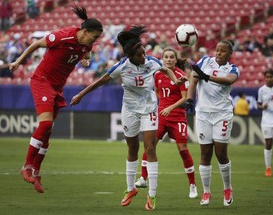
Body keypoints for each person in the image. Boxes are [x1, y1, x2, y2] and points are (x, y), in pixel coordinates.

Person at [70, 26, 187, 210]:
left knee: (150, 148)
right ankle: (130, 189)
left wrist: (175, 80)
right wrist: (80, 95)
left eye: (144, 52)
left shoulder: (151, 61)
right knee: (132, 147)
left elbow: (165, 70)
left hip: (149, 109)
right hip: (130, 110)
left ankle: (152, 195)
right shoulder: (122, 67)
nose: (144, 56)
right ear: (131, 56)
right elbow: (100, 81)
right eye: (140, 54)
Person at [9, 5, 103, 193]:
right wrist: (19, 61)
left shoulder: (87, 43)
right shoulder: (62, 36)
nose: (96, 40)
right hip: (42, 81)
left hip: (57, 87)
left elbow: (88, 51)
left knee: (48, 132)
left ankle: (36, 172)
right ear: (85, 31)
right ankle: (26, 166)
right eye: (94, 36)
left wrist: (86, 58)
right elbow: (36, 44)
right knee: (44, 125)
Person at [134, 47, 198, 199]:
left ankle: (192, 185)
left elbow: (185, 97)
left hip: (177, 117)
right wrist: (162, 106)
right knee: (150, 145)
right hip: (162, 115)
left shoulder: (182, 76)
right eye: (166, 57)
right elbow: (157, 91)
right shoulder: (158, 75)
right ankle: (143, 178)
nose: (168, 59)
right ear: (162, 59)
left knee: (182, 149)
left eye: (171, 57)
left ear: (175, 60)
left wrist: (170, 107)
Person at [183, 40, 239, 207]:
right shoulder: (205, 61)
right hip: (203, 114)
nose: (218, 53)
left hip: (222, 114)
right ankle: (206, 192)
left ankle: (227, 188)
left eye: (222, 51)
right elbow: (193, 79)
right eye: (217, 50)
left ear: (230, 54)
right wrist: (190, 99)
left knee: (221, 153)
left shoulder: (232, 69)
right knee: (205, 154)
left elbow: (228, 80)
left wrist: (206, 76)